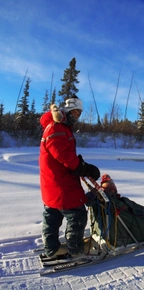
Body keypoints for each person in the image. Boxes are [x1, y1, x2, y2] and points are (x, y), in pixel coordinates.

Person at [39, 96, 100, 258]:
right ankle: (75, 249)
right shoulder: (57, 128)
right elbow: (64, 156)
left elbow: (64, 155)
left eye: (79, 114)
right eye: (74, 112)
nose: (76, 116)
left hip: (53, 180)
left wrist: (80, 165)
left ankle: (52, 248)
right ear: (66, 111)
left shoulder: (58, 127)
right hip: (61, 183)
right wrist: (83, 168)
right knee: (77, 215)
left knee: (53, 213)